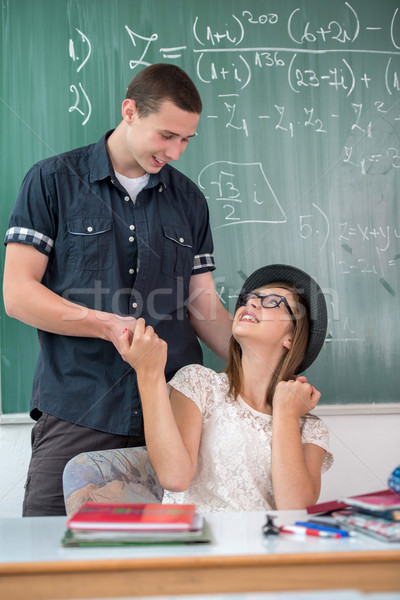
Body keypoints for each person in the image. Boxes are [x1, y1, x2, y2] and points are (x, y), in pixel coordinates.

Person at [3, 63, 232, 516]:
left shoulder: (190, 200)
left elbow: (203, 305)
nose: (177, 152)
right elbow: (17, 294)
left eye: (186, 139)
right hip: (78, 407)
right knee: (50, 564)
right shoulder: (51, 181)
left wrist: (266, 367)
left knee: (161, 572)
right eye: (167, 135)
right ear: (130, 111)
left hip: (171, 419)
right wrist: (107, 325)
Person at [119, 264, 333, 512]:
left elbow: (294, 510)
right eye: (249, 298)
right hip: (200, 544)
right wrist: (149, 374)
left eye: (273, 301)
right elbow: (174, 478)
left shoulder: (309, 428)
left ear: (291, 338)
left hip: (267, 549)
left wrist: (285, 415)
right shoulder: (199, 384)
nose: (251, 303)